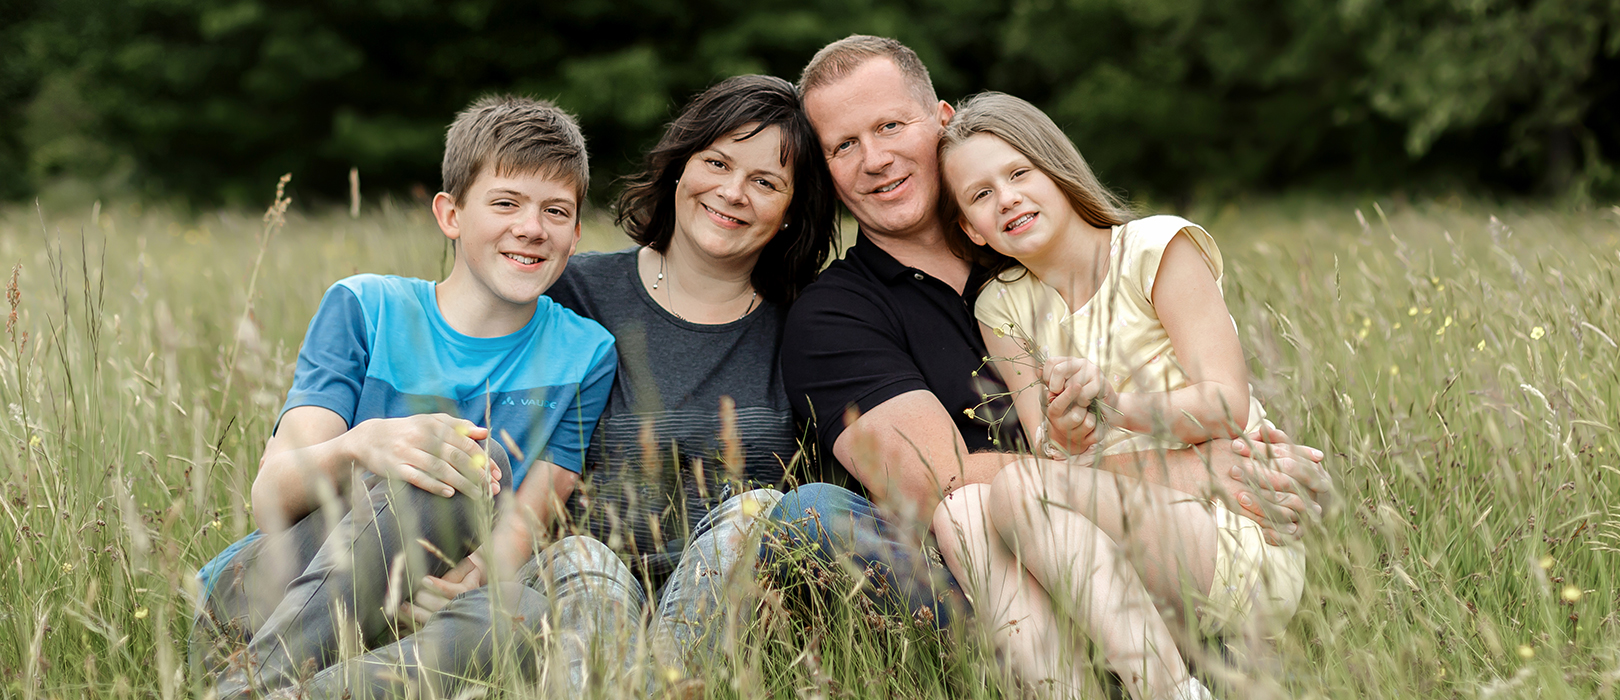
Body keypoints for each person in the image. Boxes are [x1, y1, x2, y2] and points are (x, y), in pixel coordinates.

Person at [772, 33, 1331, 658]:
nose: (874, 158)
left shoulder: (1046, 250)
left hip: (1159, 541)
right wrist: (1191, 473)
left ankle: (1184, 648)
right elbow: (938, 480)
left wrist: (1260, 465)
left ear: (942, 121)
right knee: (866, 511)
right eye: (844, 146)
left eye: (890, 125)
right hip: (989, 572)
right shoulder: (834, 315)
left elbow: (1198, 386)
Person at [281, 74, 839, 699]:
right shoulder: (570, 292)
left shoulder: (811, 327)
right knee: (583, 557)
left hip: (721, 611)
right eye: (717, 162)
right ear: (680, 168)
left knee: (754, 516)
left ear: (794, 208)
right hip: (572, 592)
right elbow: (458, 344)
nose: (734, 192)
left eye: (767, 182)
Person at [189, 95, 616, 699]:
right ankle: (252, 683)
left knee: (522, 614)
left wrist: (465, 581)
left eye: (555, 210)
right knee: (452, 465)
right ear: (451, 214)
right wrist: (364, 446)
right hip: (270, 600)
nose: (531, 227)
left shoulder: (586, 353)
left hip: (411, 624)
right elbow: (270, 500)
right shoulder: (366, 306)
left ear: (575, 233)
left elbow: (521, 526)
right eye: (505, 203)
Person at [930, 91, 1307, 700]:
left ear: (1057, 168)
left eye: (1019, 173)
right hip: (1108, 534)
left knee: (1021, 487)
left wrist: (1114, 410)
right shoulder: (1002, 305)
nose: (1006, 199)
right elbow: (1059, 454)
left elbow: (1226, 406)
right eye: (980, 195)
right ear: (970, 227)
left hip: (1229, 529)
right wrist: (1072, 431)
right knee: (964, 511)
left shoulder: (1155, 249)